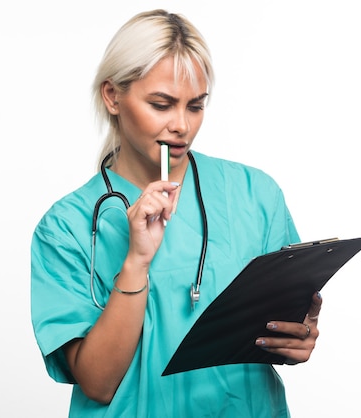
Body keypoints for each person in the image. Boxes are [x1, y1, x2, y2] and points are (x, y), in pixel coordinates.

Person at [31, 9, 322, 417]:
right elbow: (97, 384)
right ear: (113, 96)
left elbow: (276, 330)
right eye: (161, 104)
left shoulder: (255, 194)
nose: (181, 126)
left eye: (195, 106)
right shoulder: (67, 227)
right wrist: (136, 261)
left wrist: (297, 339)